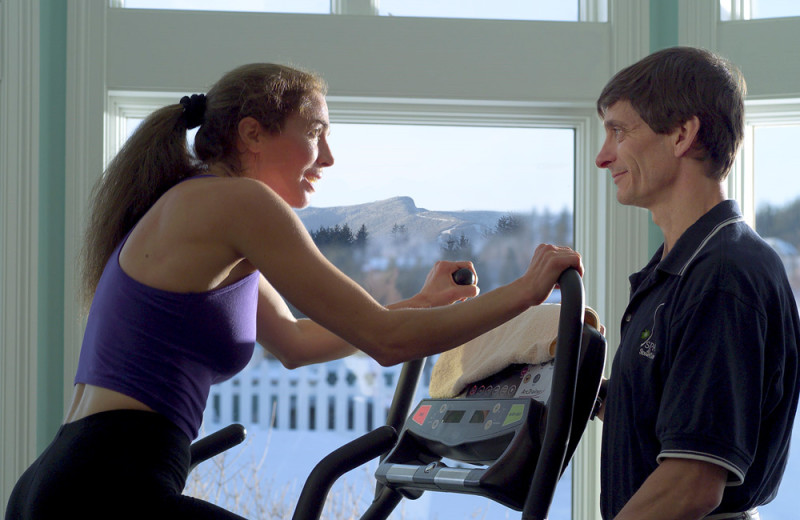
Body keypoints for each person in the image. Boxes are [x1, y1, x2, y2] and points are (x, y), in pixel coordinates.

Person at [4, 63, 582, 519]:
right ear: (252, 134)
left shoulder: (201, 209)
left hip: (66, 480)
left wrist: (419, 304)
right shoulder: (241, 204)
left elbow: (297, 343)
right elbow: (383, 341)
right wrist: (529, 292)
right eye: (315, 134)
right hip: (107, 485)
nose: (328, 158)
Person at [593, 46, 800, 520]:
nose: (604, 158)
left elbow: (691, 484)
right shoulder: (681, 268)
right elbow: (679, 417)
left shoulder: (724, 277)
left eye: (619, 131)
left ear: (683, 134)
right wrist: (591, 389)